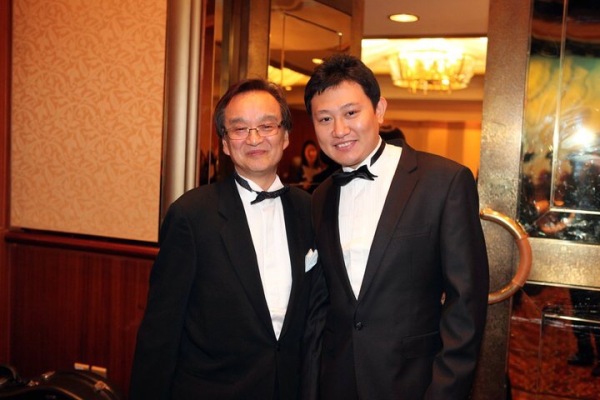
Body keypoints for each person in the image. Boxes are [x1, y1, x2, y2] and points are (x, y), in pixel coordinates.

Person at [302, 53, 490, 400]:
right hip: (337, 381)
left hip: (412, 384)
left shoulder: (443, 182)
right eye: (325, 118)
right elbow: (323, 304)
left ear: (379, 109)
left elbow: (466, 304)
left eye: (351, 113)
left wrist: (444, 392)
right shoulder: (321, 196)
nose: (339, 130)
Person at [130, 78, 317, 400]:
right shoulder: (192, 215)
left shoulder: (310, 211)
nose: (254, 138)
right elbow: (161, 329)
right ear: (226, 144)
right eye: (240, 129)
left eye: (267, 126)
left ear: (285, 136)